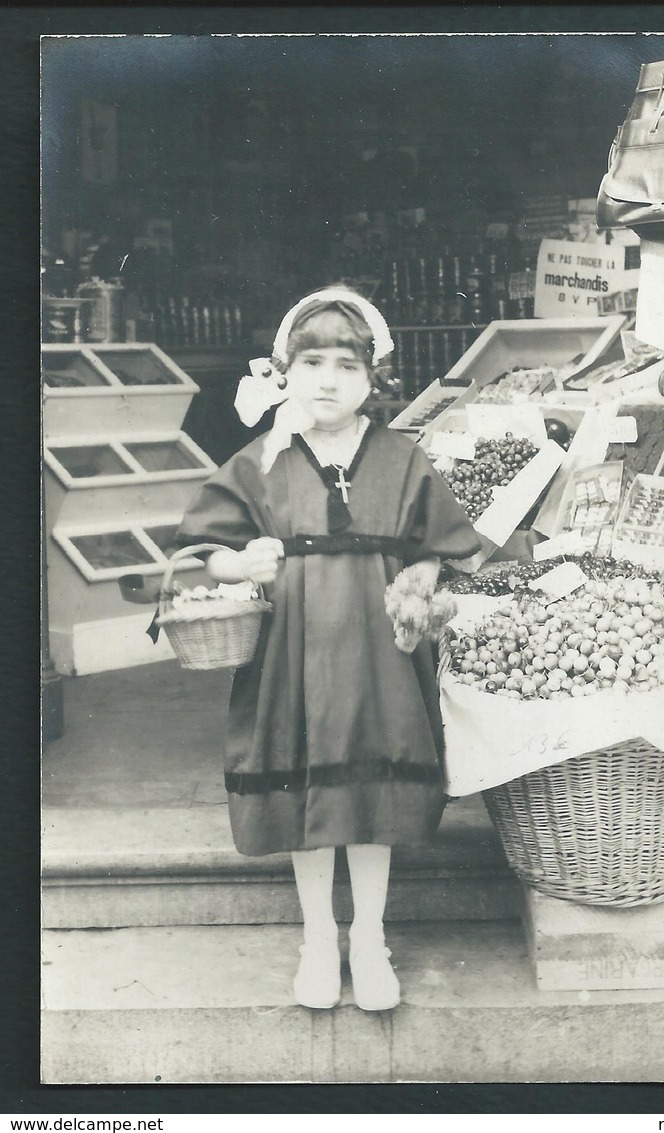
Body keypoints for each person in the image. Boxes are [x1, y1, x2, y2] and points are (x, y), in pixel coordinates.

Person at [175, 286, 481, 1011]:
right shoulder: (258, 462)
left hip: (379, 653)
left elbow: (440, 545)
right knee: (301, 791)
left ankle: (370, 938)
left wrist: (422, 577)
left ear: (373, 379)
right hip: (290, 652)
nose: (328, 379)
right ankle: (319, 940)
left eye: (347, 365)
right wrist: (236, 563)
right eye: (311, 361)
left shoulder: (402, 458)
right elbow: (199, 553)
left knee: (371, 796)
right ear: (285, 370)